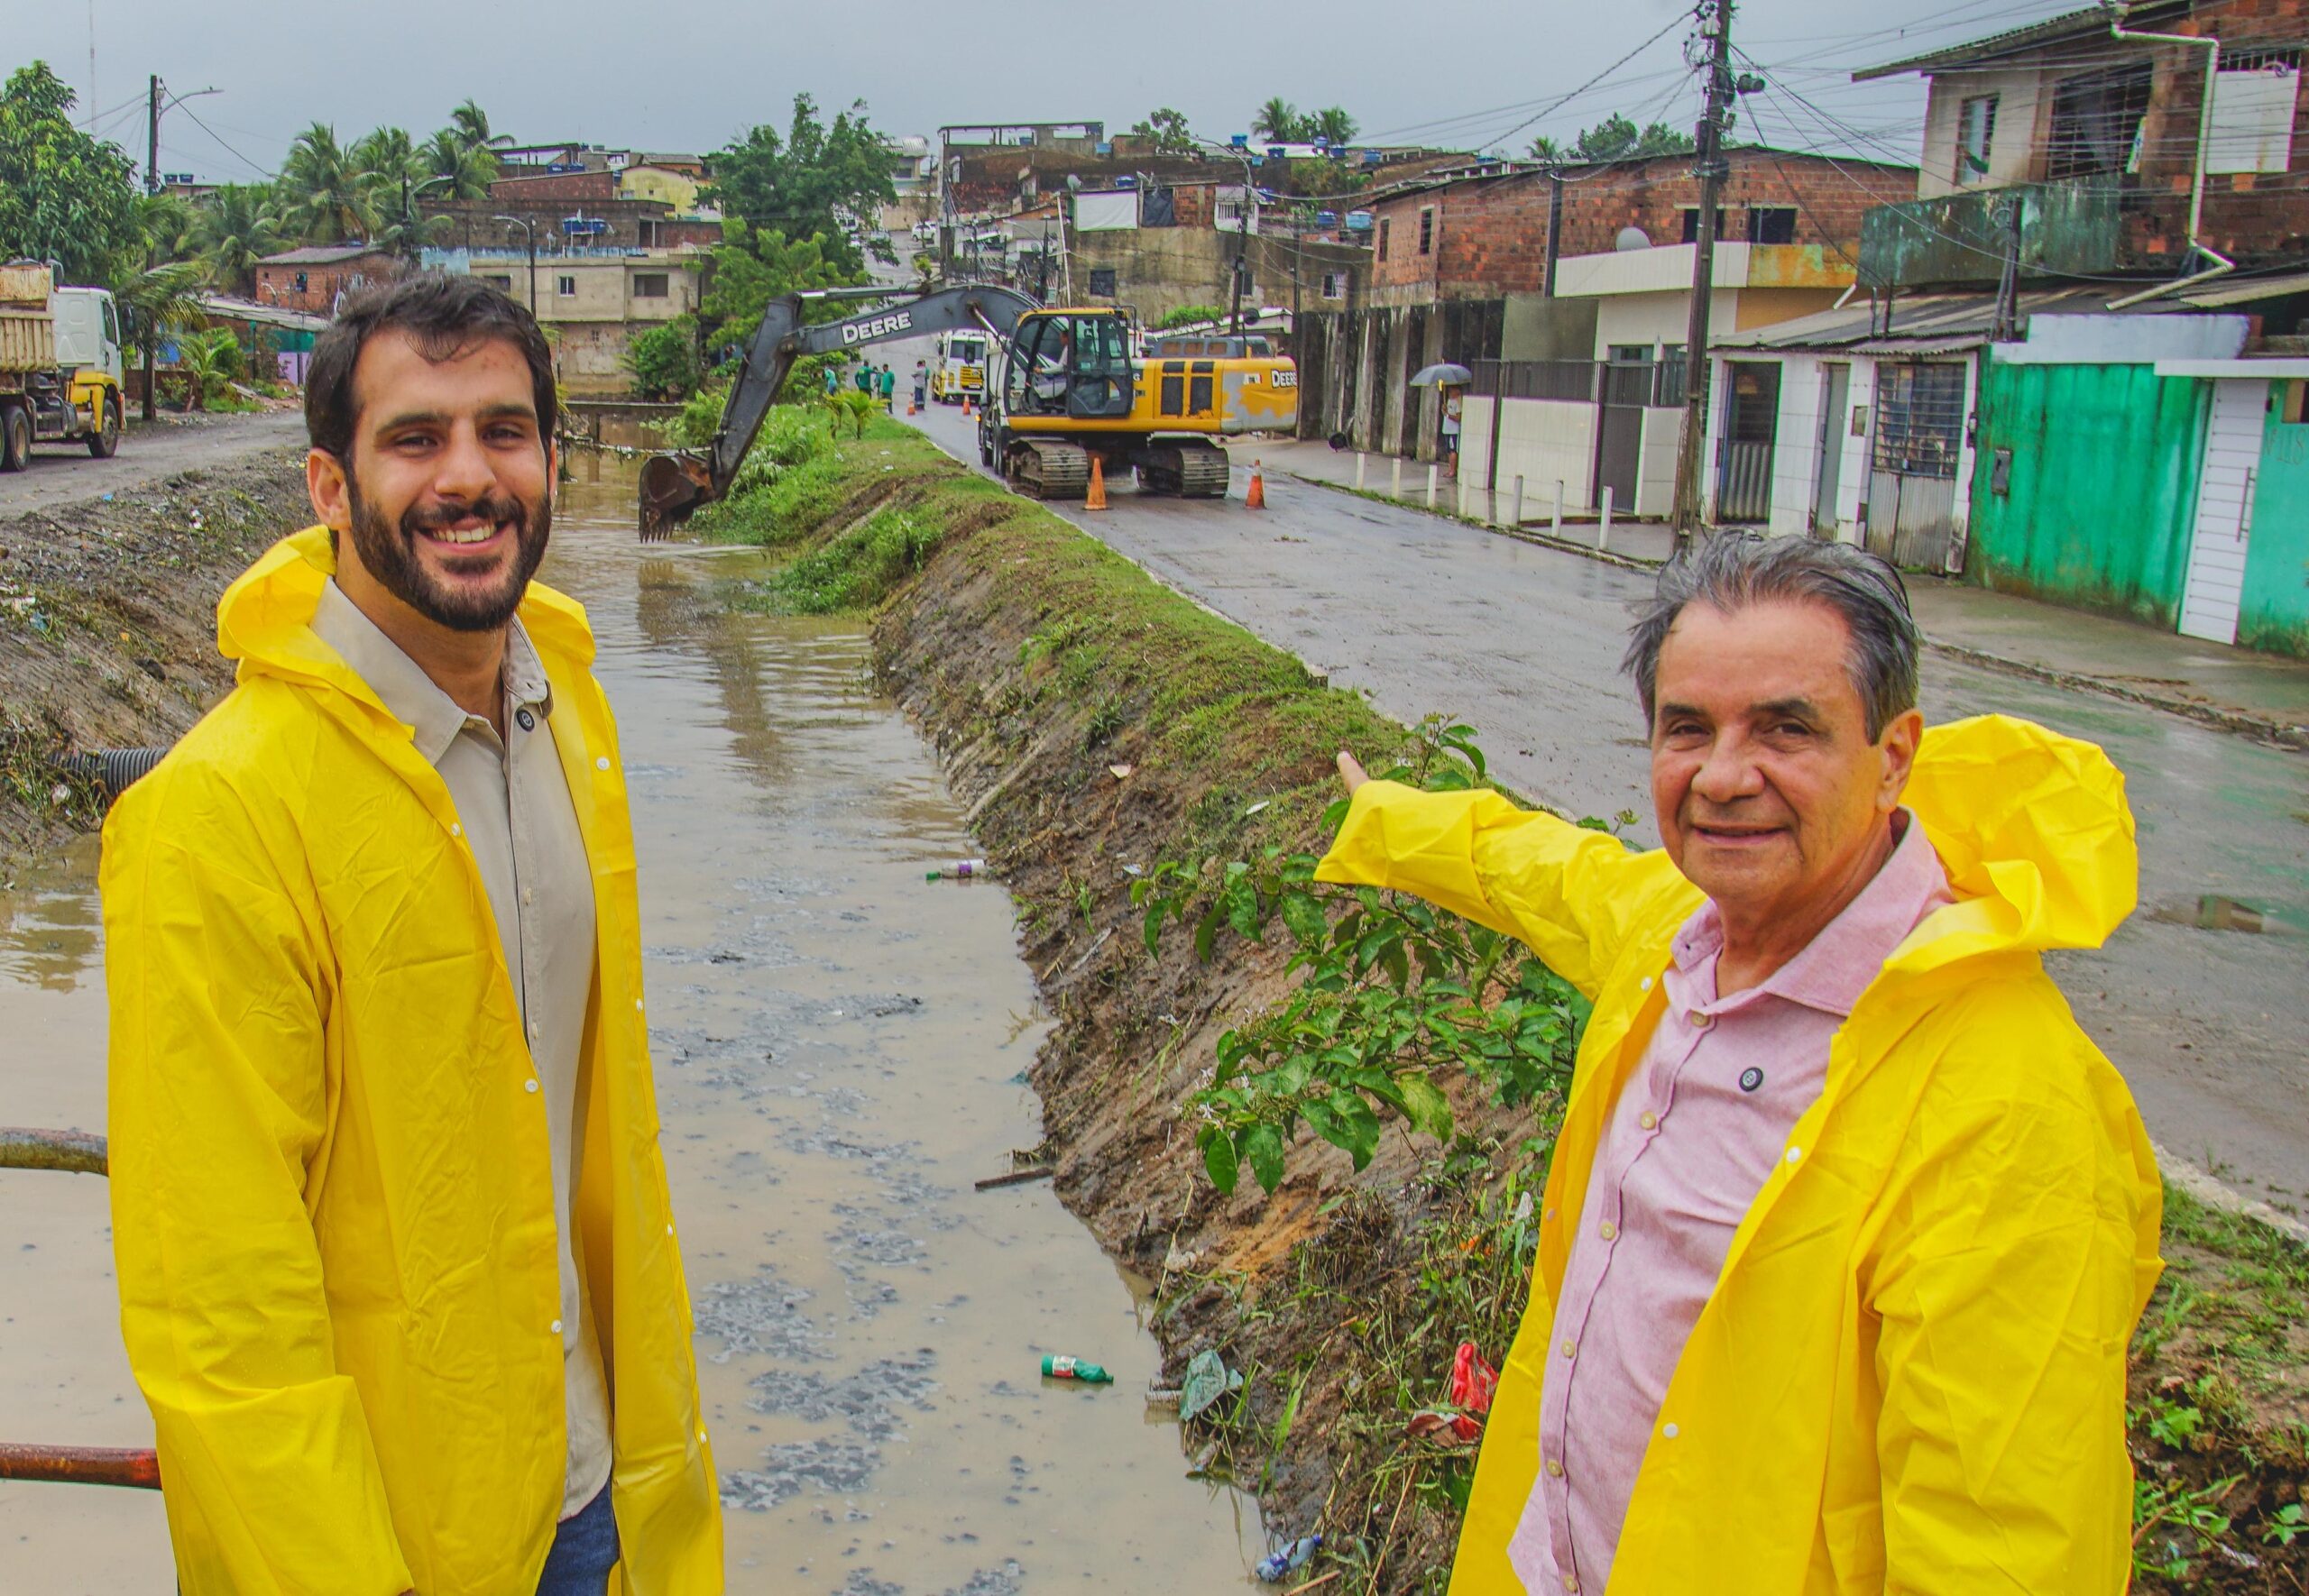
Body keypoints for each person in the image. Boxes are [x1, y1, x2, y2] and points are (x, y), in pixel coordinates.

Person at [1319, 535, 2160, 1595]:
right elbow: (1544, 873)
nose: (1722, 778)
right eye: (1688, 729)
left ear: (1892, 754)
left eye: (1785, 729)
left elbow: (2005, 1540)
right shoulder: (1679, 934)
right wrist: (1389, 820)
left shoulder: (2003, 1102)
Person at [102, 275, 723, 1596]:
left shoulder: (570, 723)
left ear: (556, 463)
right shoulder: (220, 814)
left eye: (503, 431)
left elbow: (586, 1132)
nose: (468, 477)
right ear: (330, 486)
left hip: (591, 1483)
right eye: (414, 437)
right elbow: (220, 1308)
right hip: (391, 1540)